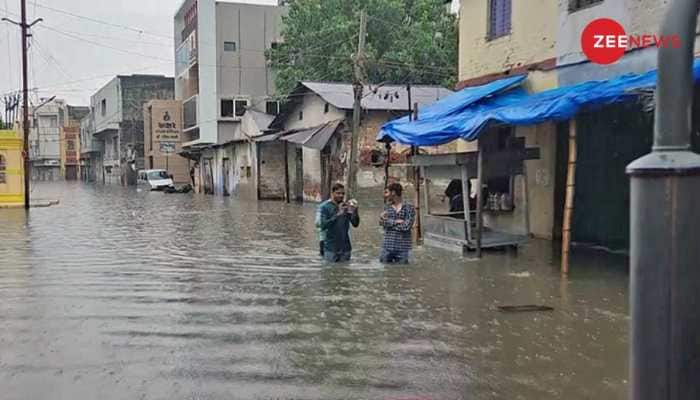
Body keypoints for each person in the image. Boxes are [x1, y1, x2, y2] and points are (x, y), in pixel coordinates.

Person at [318, 183, 360, 262]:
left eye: (343, 194)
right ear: (332, 193)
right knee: (330, 271)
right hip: (330, 249)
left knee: (345, 272)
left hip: (345, 249)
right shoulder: (326, 207)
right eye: (338, 193)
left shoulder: (346, 206)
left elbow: (355, 224)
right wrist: (338, 215)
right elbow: (323, 225)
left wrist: (355, 212)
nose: (341, 195)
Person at [379, 183, 416, 264]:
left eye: (387, 192)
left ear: (393, 193)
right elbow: (382, 223)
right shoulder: (387, 207)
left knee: (402, 273)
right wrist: (395, 221)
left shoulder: (409, 207)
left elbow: (407, 226)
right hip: (387, 247)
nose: (385, 195)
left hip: (403, 249)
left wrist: (389, 223)